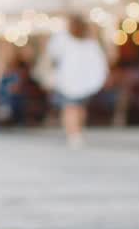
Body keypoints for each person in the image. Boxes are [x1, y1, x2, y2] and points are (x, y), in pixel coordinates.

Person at [42, 14, 109, 148]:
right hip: (84, 80)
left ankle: (73, 134)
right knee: (79, 107)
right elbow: (99, 61)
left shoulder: (63, 39)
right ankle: (77, 132)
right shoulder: (90, 41)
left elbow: (52, 54)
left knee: (70, 107)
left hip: (68, 80)